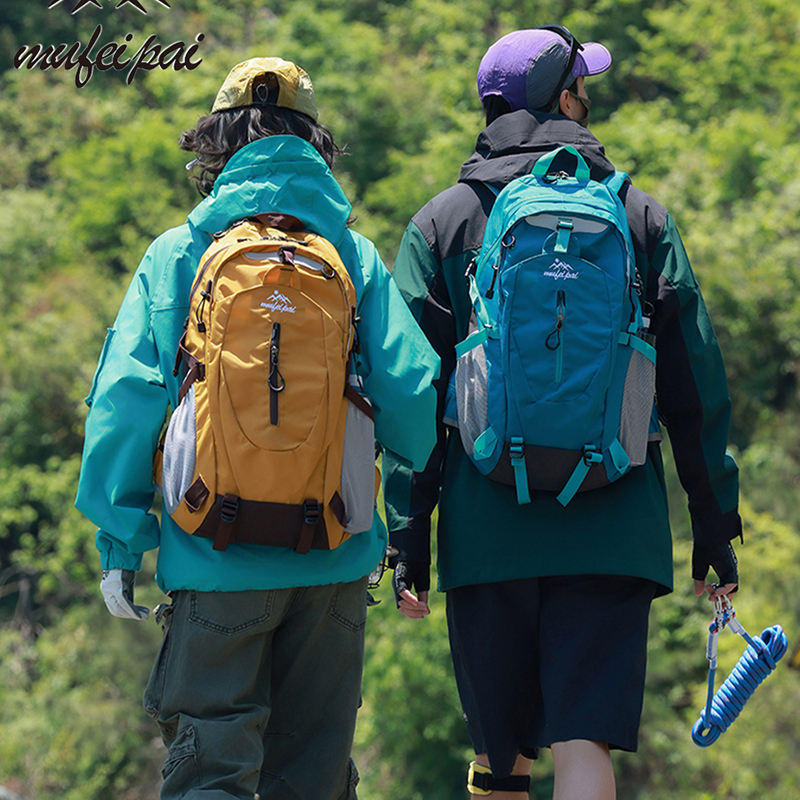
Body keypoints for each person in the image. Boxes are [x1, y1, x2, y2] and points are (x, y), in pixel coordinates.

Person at [382, 26, 741, 800]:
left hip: (487, 526)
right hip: (612, 526)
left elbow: (411, 392)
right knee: (584, 747)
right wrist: (715, 525)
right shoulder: (639, 217)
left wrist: (407, 532)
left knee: (501, 759)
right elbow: (694, 384)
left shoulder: (443, 221)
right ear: (563, 98)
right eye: (585, 85)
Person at [75, 56, 439, 800]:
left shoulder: (179, 254)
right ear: (314, 145)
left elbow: (125, 399)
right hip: (333, 558)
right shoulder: (353, 258)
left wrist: (121, 541)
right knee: (311, 779)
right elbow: (413, 394)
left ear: (215, 146)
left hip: (211, 549)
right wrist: (391, 515)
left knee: (210, 771)